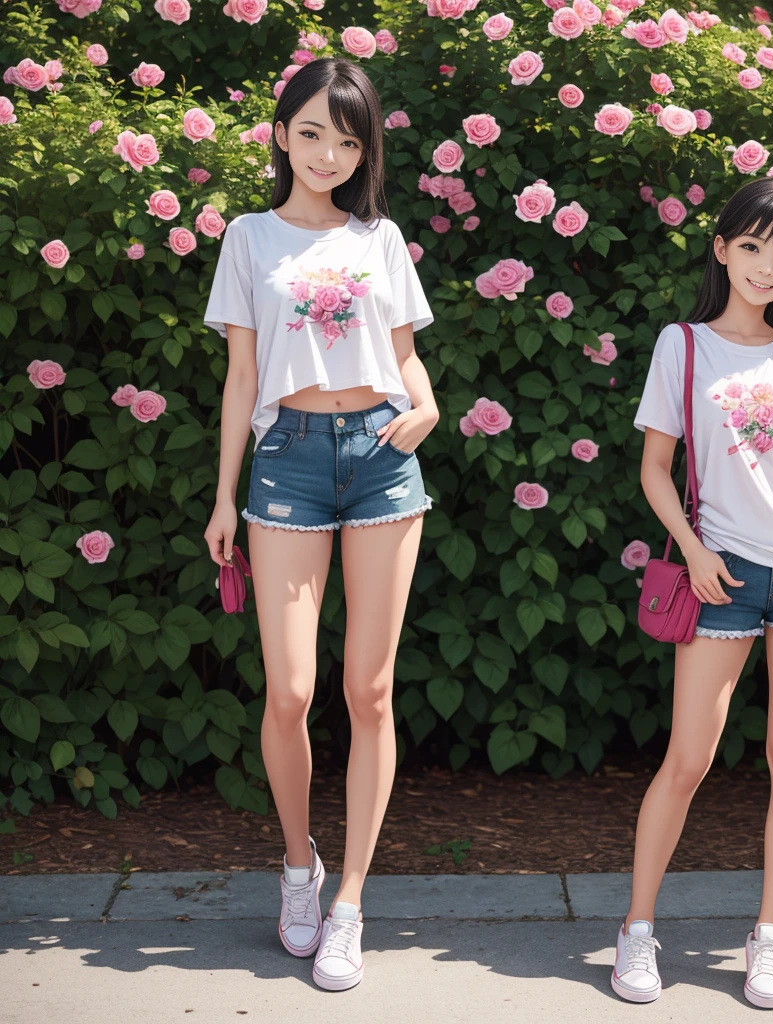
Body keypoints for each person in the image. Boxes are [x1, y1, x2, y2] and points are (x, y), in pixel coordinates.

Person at [202, 57, 437, 992]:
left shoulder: (381, 238)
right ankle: (298, 863)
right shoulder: (250, 238)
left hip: (383, 458)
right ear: (280, 133)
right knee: (292, 692)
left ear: (363, 148)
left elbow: (409, 362)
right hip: (287, 461)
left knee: (369, 693)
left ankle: (349, 903)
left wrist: (425, 409)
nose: (329, 154)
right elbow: (241, 380)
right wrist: (225, 495)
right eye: (312, 133)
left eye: (348, 140)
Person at [614, 176, 773, 1008]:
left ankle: (767, 939)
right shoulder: (682, 347)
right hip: (721, 575)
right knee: (688, 760)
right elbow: (654, 468)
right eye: (752, 246)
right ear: (722, 249)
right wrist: (691, 550)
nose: (766, 266)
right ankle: (637, 930)